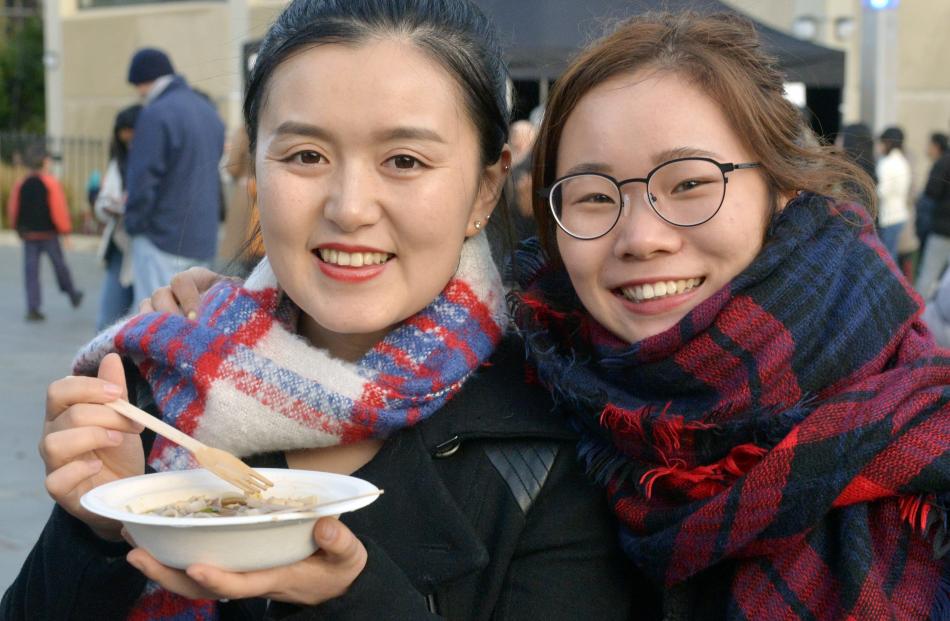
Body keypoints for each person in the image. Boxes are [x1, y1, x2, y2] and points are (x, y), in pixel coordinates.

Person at [1, 1, 639, 619]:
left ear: (484, 188)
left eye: (404, 161)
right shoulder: (160, 387)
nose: (350, 207)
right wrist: (99, 530)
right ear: (254, 168)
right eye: (306, 155)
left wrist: (352, 598)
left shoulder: (556, 442)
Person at [506, 11, 949, 619]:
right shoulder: (517, 416)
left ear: (782, 186)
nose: (640, 237)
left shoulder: (921, 434)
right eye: (593, 196)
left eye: (688, 184)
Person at [124, 47, 226, 307]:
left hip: (162, 237)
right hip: (202, 236)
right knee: (191, 315)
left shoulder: (156, 113)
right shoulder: (208, 111)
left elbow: (143, 179)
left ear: (143, 81)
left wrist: (134, 224)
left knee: (154, 319)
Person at [6, 143, 84, 321]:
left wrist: (16, 227)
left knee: (31, 271)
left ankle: (33, 307)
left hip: (29, 235)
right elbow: (58, 210)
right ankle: (72, 293)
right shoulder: (50, 183)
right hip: (49, 235)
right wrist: (65, 232)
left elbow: (13, 207)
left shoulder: (21, 183)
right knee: (60, 266)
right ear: (44, 163)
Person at [94, 104, 142, 331]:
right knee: (108, 318)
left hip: (144, 244)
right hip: (119, 247)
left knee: (143, 318)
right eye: (124, 140)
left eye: (132, 139)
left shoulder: (153, 161)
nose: (129, 145)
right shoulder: (118, 164)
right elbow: (101, 203)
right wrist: (108, 207)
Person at [914, 132, 950, 298]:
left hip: (942, 229)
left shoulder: (943, 162)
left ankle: (916, 319)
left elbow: (931, 191)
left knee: (928, 276)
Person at [875, 125, 912, 260]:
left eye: (881, 143)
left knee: (887, 259)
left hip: (889, 216)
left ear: (888, 143)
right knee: (891, 256)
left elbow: (882, 191)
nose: (879, 147)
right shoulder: (903, 161)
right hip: (900, 214)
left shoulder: (887, 162)